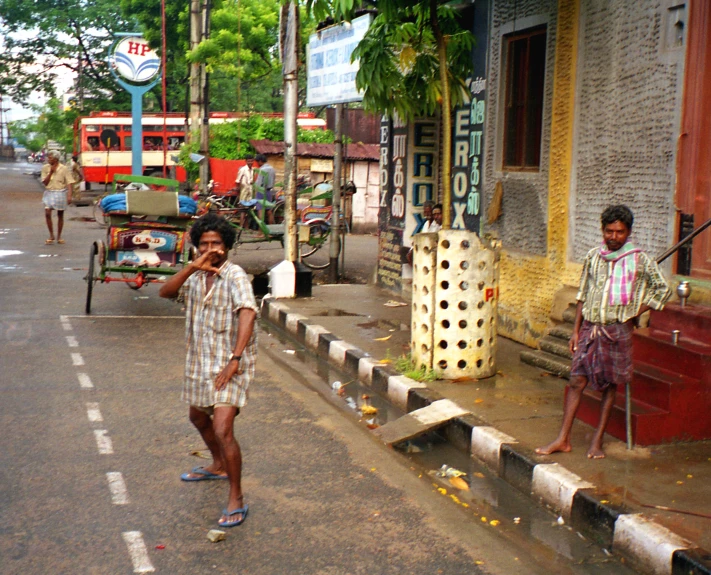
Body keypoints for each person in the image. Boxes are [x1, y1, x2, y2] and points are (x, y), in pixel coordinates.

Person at [535, 205, 671, 459]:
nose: (614, 237)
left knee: (609, 387)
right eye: (609, 231)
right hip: (589, 328)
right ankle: (562, 439)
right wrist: (575, 331)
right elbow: (582, 295)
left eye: (619, 232)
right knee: (576, 380)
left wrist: (634, 312)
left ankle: (596, 442)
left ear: (628, 232)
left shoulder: (640, 260)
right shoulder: (593, 257)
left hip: (617, 331)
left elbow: (662, 290)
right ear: (603, 231)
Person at [159, 214, 258, 527]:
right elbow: (165, 292)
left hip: (230, 363)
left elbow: (247, 313)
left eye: (217, 243)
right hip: (200, 360)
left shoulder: (235, 275)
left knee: (222, 428)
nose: (211, 249)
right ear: (196, 248)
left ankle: (236, 497)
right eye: (204, 244)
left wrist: (236, 358)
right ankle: (217, 464)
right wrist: (192, 267)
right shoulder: (195, 275)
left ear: (227, 246)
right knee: (198, 417)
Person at [41, 150, 73, 244]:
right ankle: (51, 235)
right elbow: (45, 182)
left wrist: (69, 195)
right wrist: (50, 172)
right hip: (49, 192)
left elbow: (69, 182)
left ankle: (59, 236)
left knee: (60, 214)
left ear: (56, 159)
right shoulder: (45, 168)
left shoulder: (64, 168)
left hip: (60, 192)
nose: (48, 159)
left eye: (50, 158)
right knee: (47, 213)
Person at [254, 153, 276, 224]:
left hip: (261, 192)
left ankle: (261, 232)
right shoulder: (272, 169)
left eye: (257, 162)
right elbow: (273, 180)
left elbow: (259, 183)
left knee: (260, 211)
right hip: (269, 192)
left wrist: (254, 187)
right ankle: (271, 230)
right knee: (269, 211)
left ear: (260, 161)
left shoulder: (262, 170)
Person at [235, 155, 255, 227]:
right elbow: (237, 180)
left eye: (251, 161)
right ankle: (241, 226)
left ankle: (246, 227)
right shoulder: (243, 169)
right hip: (244, 191)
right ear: (246, 161)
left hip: (250, 191)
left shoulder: (253, 170)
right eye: (249, 161)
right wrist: (238, 190)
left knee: (248, 209)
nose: (250, 162)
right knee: (242, 209)